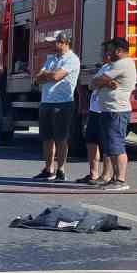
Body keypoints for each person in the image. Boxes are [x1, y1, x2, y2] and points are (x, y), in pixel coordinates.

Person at [90, 37, 136, 191]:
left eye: (110, 49)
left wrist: (103, 81)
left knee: (117, 146)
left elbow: (98, 80)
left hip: (117, 111)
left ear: (118, 50)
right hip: (108, 110)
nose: (107, 53)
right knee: (110, 146)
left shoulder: (122, 64)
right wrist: (105, 82)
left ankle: (121, 180)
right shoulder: (113, 65)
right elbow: (93, 82)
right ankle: (114, 178)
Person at [32, 35, 80, 181]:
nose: (53, 45)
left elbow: (56, 77)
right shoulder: (51, 58)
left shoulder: (72, 59)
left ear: (64, 43)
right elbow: (37, 78)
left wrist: (47, 75)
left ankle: (61, 169)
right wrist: (47, 75)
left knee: (61, 138)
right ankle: (48, 169)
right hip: (46, 102)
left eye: (55, 42)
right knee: (47, 138)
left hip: (62, 103)